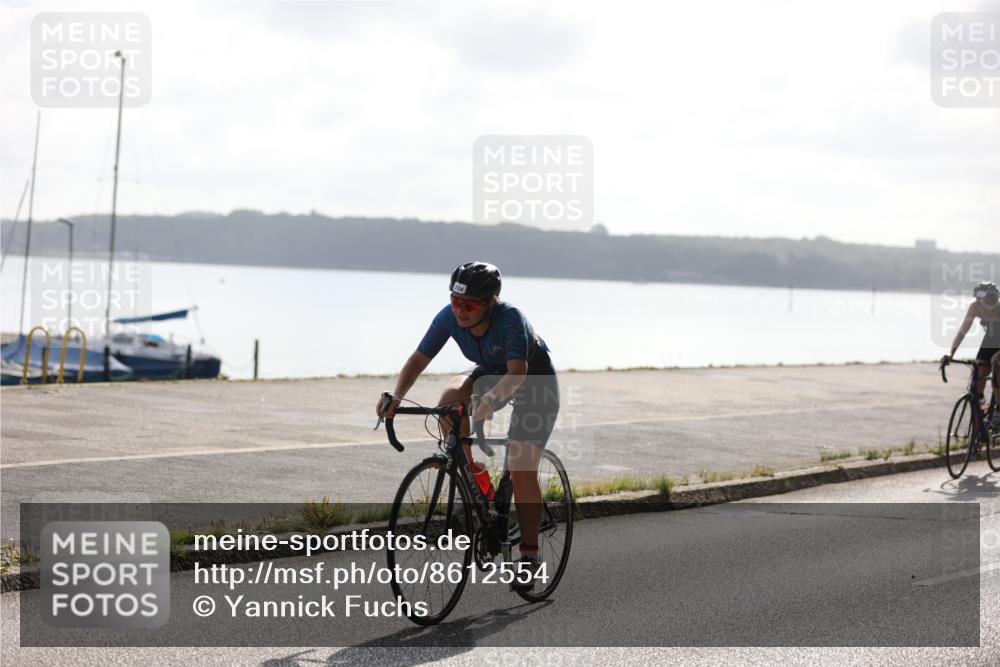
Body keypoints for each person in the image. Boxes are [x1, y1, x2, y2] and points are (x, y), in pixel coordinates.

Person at [376, 261, 559, 589]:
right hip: (490, 371)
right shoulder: (449, 317)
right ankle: (475, 479)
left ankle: (529, 555)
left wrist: (491, 400)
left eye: (468, 305)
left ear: (490, 303)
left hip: (534, 383)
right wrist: (397, 397)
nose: (459, 311)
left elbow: (516, 372)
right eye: (454, 302)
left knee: (520, 466)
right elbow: (418, 360)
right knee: (448, 402)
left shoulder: (511, 319)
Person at [941, 281, 1000, 429]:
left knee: (997, 369)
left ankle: (999, 412)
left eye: (993, 300)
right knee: (978, 376)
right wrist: (950, 353)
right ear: (979, 300)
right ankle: (983, 412)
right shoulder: (975, 307)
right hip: (991, 340)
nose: (990, 304)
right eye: (987, 300)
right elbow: (962, 331)